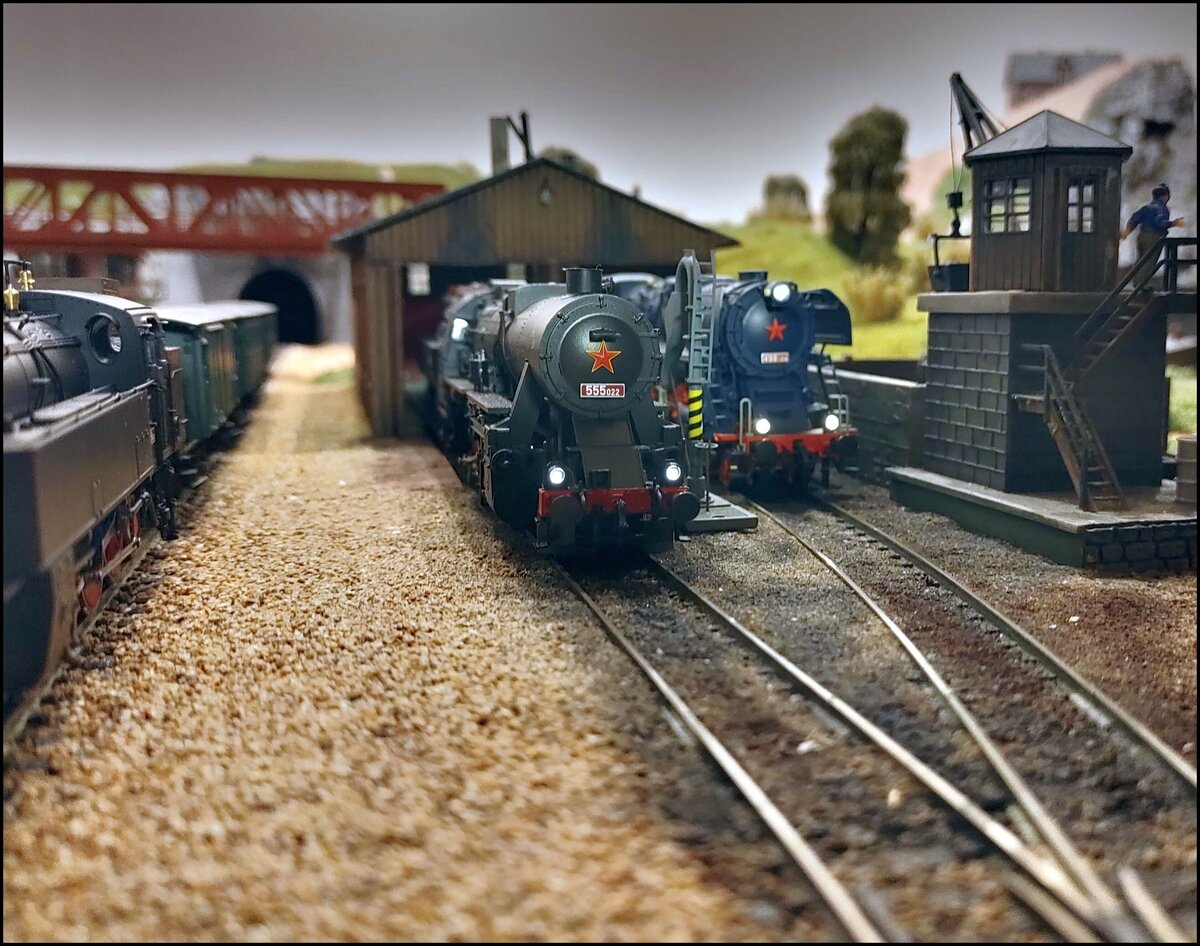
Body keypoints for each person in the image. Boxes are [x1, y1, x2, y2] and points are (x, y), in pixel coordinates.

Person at [1120, 183, 1186, 288]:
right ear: (1165, 196)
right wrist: (1174, 223)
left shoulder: (1146, 207)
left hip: (1142, 235)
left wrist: (1127, 232)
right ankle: (1142, 285)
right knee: (1149, 262)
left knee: (1140, 260)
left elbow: (1134, 219)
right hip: (1154, 236)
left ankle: (1136, 283)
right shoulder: (1161, 208)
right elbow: (1160, 223)